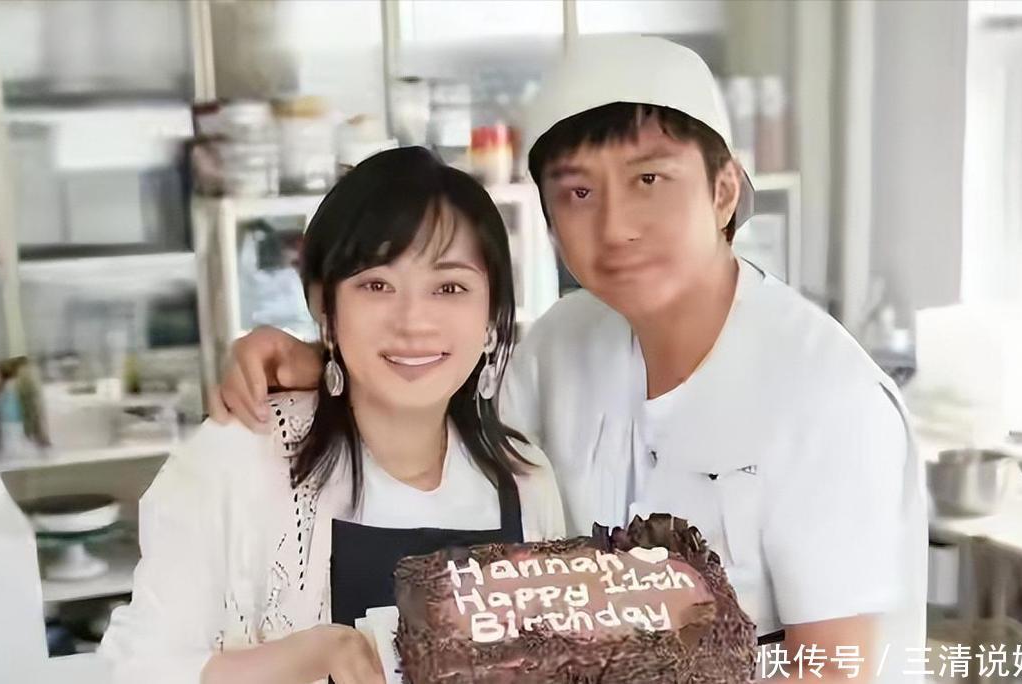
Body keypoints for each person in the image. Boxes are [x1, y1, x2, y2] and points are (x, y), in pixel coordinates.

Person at [212, 36, 926, 682]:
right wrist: (327, 360)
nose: (615, 226)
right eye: (579, 193)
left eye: (649, 180)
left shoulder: (825, 397)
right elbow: (437, 423)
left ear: (722, 191)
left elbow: (837, 668)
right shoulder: (561, 343)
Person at [99, 146, 566, 684]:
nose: (414, 322)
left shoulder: (526, 479)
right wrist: (308, 657)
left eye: (449, 287)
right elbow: (133, 669)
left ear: (491, 315)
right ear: (327, 310)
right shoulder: (241, 454)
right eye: (376, 285)